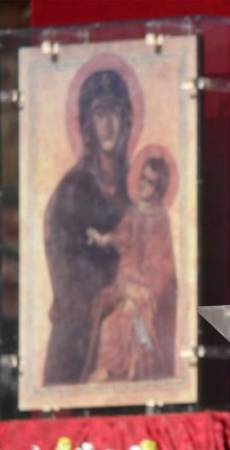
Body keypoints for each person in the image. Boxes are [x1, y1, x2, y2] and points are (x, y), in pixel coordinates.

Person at [43, 69, 132, 385]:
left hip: (129, 307)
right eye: (100, 114)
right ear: (88, 125)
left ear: (126, 120)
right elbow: (60, 255)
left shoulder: (139, 182)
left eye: (115, 114)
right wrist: (97, 295)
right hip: (82, 319)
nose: (108, 125)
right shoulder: (72, 188)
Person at [82, 156, 177, 382]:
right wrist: (101, 238)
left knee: (125, 323)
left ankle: (129, 369)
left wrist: (142, 290)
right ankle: (108, 368)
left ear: (159, 189)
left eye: (151, 182)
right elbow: (120, 237)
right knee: (107, 317)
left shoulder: (161, 219)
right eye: (142, 179)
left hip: (147, 291)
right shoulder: (134, 212)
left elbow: (162, 264)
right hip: (126, 284)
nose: (144, 185)